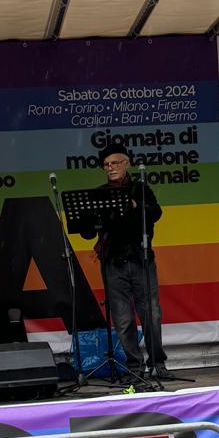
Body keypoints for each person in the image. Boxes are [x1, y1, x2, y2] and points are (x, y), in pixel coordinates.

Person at [81, 146, 176, 383]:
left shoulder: (140, 189)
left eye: (114, 163)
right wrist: (88, 219)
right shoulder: (99, 193)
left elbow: (155, 213)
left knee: (151, 314)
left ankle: (158, 363)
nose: (110, 168)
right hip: (114, 263)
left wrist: (136, 206)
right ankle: (135, 366)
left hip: (141, 260)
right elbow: (85, 232)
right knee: (123, 320)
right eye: (106, 165)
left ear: (126, 163)